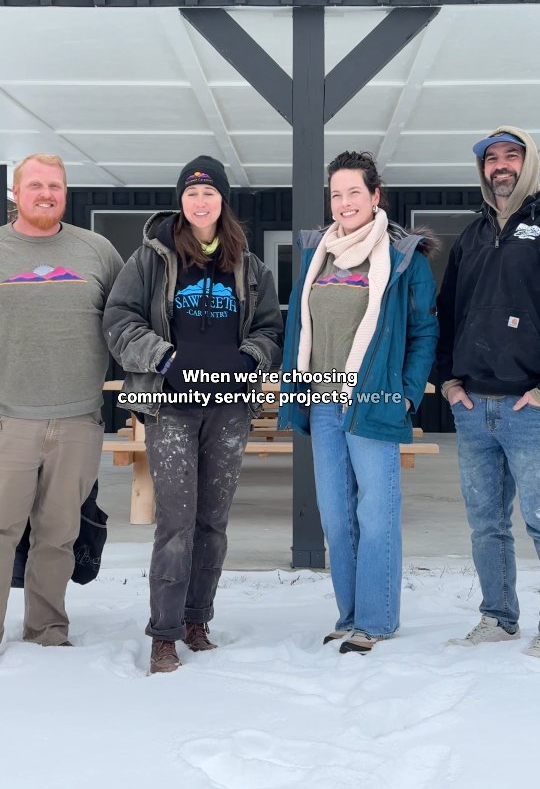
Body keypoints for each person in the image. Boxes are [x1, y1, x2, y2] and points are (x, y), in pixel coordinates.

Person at [103, 155, 283, 674]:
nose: (200, 201)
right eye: (191, 192)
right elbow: (118, 321)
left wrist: (247, 358)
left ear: (222, 201)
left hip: (228, 410)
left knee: (213, 522)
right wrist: (164, 359)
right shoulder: (150, 259)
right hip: (171, 407)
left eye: (209, 193)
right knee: (176, 522)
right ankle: (163, 634)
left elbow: (271, 330)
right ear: (180, 200)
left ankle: (196, 620)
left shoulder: (250, 266)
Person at [278, 151, 438, 654]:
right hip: (323, 401)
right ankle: (348, 614)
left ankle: (376, 619)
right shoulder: (317, 252)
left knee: (377, 513)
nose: (345, 203)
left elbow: (424, 332)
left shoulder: (404, 256)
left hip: (375, 400)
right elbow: (298, 326)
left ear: (375, 196)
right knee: (335, 513)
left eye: (354, 192)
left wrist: (407, 397)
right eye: (336, 194)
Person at [0, 153, 123, 648]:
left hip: (78, 419)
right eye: (35, 185)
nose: (45, 193)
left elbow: (126, 320)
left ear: (65, 192)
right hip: (8, 418)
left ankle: (47, 627)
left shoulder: (97, 251)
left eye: (55, 185)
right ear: (15, 193)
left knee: (58, 535)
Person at [437, 126, 540, 657]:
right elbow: (447, 311)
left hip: (530, 408)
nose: (500, 166)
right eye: (491, 159)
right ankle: (499, 617)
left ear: (529, 163)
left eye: (511, 156)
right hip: (473, 407)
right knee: (486, 527)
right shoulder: (472, 235)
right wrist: (449, 381)